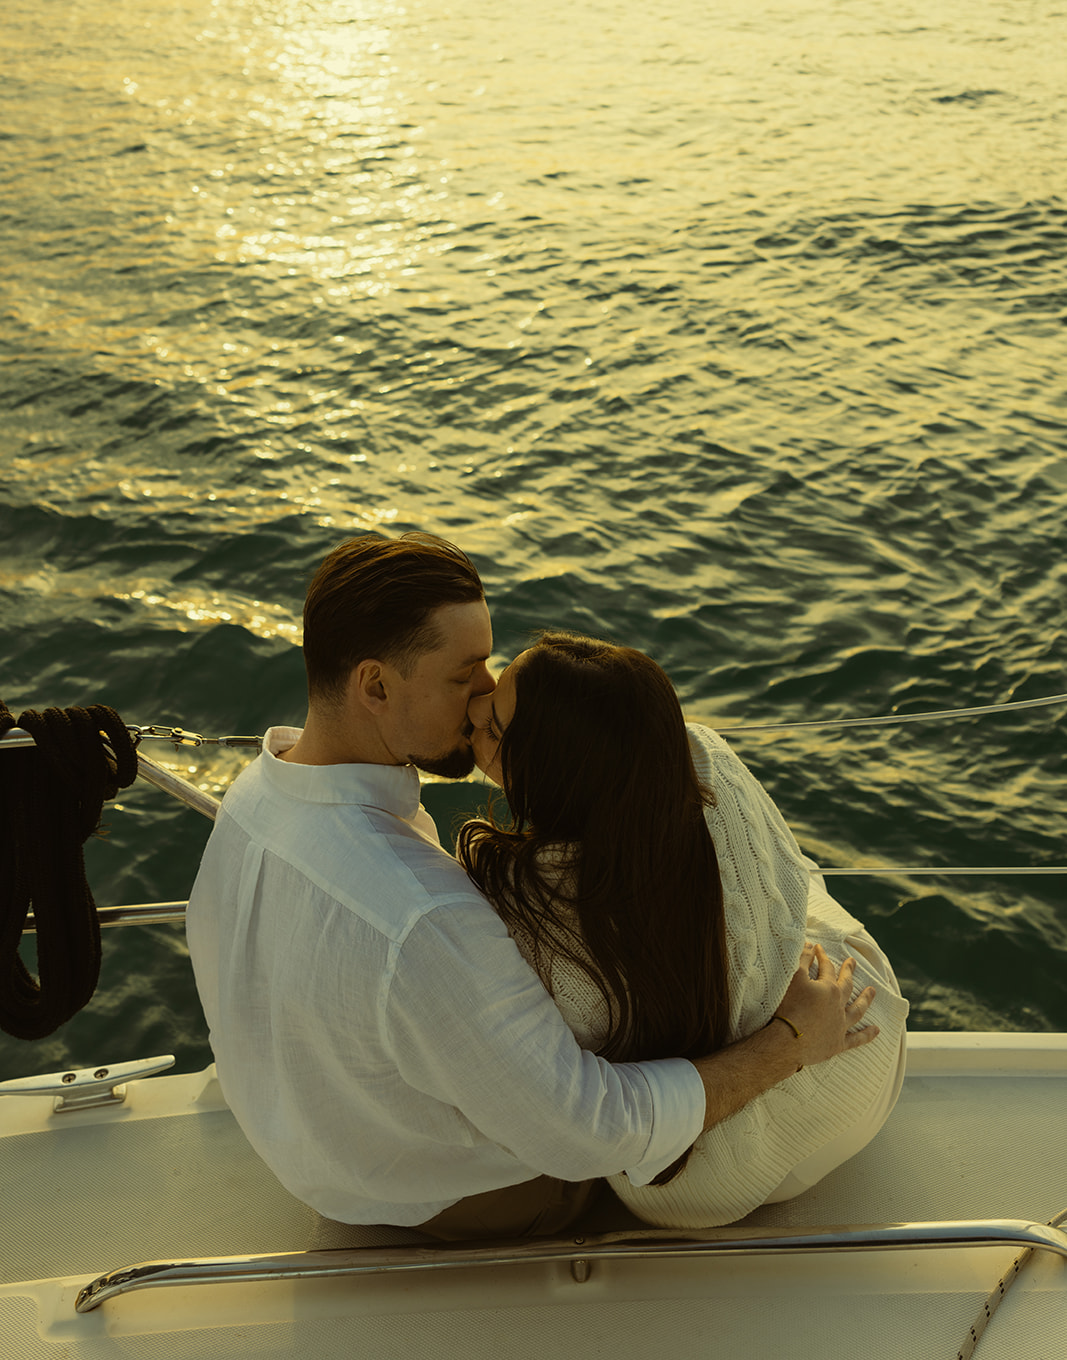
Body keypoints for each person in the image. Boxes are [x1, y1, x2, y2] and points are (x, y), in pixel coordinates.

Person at [186, 532, 880, 1241]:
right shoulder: (422, 916)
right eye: (464, 674)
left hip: (312, 1149)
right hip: (444, 1197)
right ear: (374, 686)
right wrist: (790, 1042)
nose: (487, 689)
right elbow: (590, 1131)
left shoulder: (257, 795)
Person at [459, 630, 909, 1227]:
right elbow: (783, 886)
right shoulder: (703, 755)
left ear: (548, 774)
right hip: (855, 1076)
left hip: (694, 1187)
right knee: (797, 897)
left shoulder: (518, 897)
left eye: (492, 725)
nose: (472, 709)